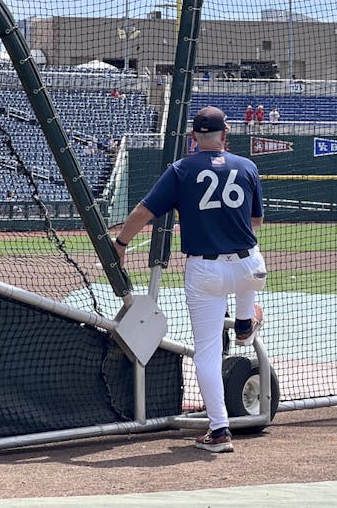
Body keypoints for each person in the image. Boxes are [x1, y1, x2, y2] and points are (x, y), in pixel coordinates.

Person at [111, 106, 267, 454]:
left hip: (206, 272)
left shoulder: (182, 168)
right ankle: (245, 323)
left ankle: (219, 431)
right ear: (225, 136)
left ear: (193, 138)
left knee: (207, 354)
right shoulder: (248, 166)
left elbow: (143, 211)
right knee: (248, 270)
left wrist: (121, 243)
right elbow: (255, 222)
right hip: (250, 267)